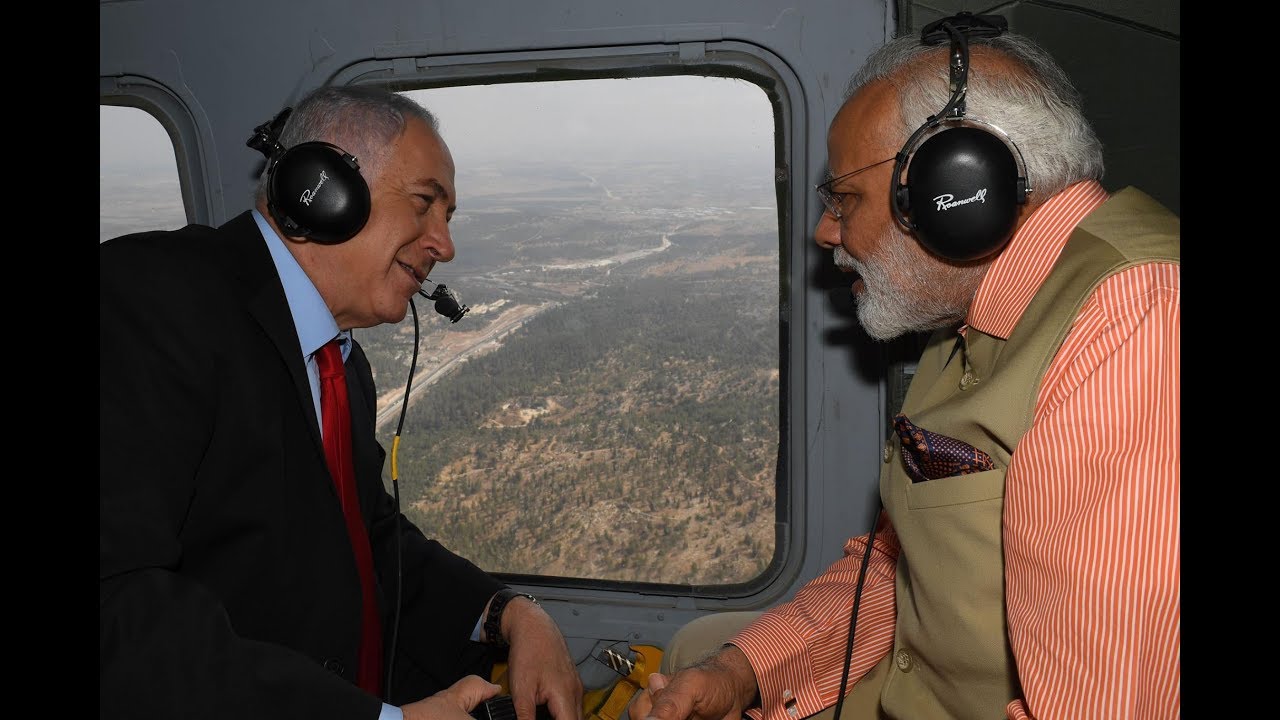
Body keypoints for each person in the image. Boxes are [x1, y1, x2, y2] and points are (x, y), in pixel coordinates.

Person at [630, 14, 1178, 720]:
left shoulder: (1135, 322)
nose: (825, 232)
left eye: (845, 198)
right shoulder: (973, 320)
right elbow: (904, 567)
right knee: (695, 653)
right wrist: (743, 673)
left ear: (958, 192)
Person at [100, 85, 585, 720]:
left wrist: (513, 615)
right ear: (324, 191)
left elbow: (369, 537)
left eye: (449, 217)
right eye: (424, 205)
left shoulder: (340, 363)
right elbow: (117, 604)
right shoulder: (152, 302)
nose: (444, 244)